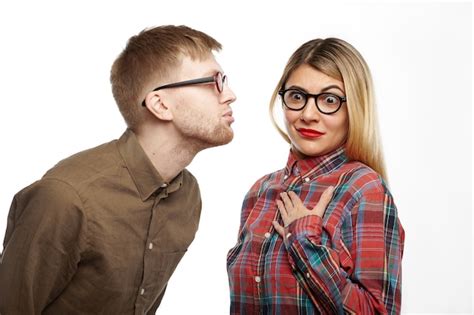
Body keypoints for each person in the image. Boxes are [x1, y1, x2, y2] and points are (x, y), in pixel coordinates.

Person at [0, 25, 236, 314]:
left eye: (225, 80)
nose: (230, 95)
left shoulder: (187, 195)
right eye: (213, 82)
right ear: (160, 105)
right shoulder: (65, 197)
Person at [227, 38, 404, 314]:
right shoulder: (259, 192)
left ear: (354, 108)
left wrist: (305, 241)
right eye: (297, 96)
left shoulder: (364, 190)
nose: (308, 114)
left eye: (329, 100)